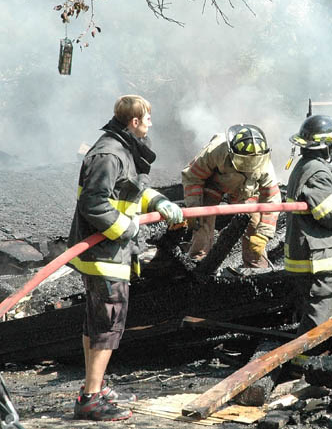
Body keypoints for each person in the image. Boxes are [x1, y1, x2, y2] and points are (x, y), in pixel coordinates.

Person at [68, 95, 184, 421]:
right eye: (147, 118)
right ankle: (91, 399)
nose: (150, 124)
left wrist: (159, 201)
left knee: (97, 323)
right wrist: (128, 228)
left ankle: (95, 385)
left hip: (105, 254)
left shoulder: (121, 149)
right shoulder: (110, 154)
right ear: (134, 122)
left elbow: (130, 190)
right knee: (107, 326)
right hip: (104, 254)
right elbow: (94, 204)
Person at [284, 115, 332, 336]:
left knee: (319, 312)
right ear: (326, 145)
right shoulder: (318, 172)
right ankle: (301, 365)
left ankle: (306, 361)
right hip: (317, 259)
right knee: (320, 318)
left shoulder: (305, 167)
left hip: (310, 256)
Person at [182, 124, 280, 268]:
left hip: (247, 191)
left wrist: (263, 235)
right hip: (215, 185)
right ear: (231, 152)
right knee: (202, 219)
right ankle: (198, 261)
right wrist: (193, 209)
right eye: (244, 161)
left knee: (253, 224)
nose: (249, 166)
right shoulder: (215, 150)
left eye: (253, 162)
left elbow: (272, 199)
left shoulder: (264, 163)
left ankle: (257, 266)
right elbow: (192, 176)